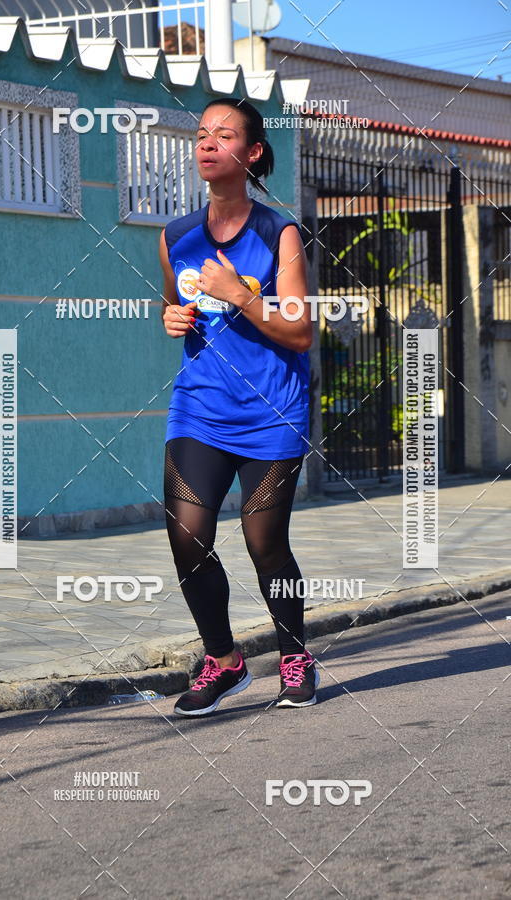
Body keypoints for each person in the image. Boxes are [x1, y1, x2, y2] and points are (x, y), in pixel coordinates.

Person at [158, 96, 318, 717]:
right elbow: (174, 303)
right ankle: (223, 660)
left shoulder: (279, 233)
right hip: (199, 407)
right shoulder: (176, 236)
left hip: (272, 412)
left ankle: (295, 656)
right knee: (187, 535)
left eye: (223, 135)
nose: (207, 143)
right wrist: (173, 317)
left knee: (264, 541)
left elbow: (300, 332)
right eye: (202, 133)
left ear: (252, 153)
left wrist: (239, 294)